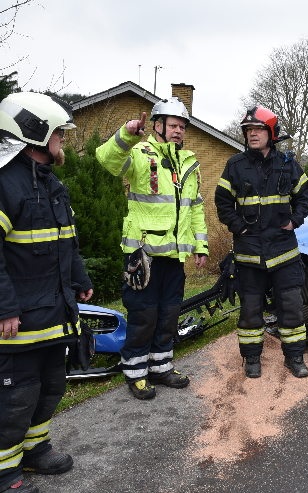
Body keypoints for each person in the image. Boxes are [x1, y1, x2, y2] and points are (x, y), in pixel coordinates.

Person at [0, 92, 94, 493]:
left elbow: (66, 242)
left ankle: (35, 450)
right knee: (16, 397)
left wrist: (82, 279)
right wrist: (4, 308)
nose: (62, 141)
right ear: (34, 134)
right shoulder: (7, 184)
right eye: (58, 133)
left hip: (55, 312)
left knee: (51, 384)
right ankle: (5, 472)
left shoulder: (52, 184)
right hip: (17, 318)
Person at [95, 97, 208, 400]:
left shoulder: (188, 163)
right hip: (142, 255)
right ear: (157, 126)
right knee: (144, 315)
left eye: (182, 126)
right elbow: (107, 160)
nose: (178, 131)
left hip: (174, 257)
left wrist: (201, 246)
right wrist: (126, 133)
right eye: (173, 125)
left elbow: (195, 208)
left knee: (168, 314)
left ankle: (161, 366)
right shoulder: (141, 154)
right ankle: (135, 372)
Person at [215, 106, 308, 379]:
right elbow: (222, 201)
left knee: (291, 307)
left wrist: (296, 220)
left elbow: (304, 194)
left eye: (257, 129)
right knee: (250, 311)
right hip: (249, 255)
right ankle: (252, 358)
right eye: (248, 130)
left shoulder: (288, 165)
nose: (252, 134)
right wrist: (238, 227)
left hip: (284, 252)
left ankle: (294, 357)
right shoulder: (235, 165)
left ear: (271, 133)